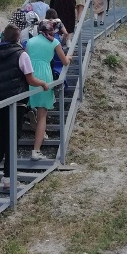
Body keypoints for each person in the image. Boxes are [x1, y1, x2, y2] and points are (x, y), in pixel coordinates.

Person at [0, 24, 49, 189]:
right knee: (13, 137)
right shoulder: (21, 54)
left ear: (4, 37)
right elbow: (30, 79)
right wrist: (43, 83)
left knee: (4, 133)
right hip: (15, 101)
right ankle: (8, 177)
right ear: (18, 38)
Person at [27, 20, 72, 160]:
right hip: (45, 76)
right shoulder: (54, 42)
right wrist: (68, 57)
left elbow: (25, 59)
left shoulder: (30, 42)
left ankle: (31, 113)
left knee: (30, 103)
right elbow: (64, 61)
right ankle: (36, 151)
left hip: (30, 75)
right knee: (43, 115)